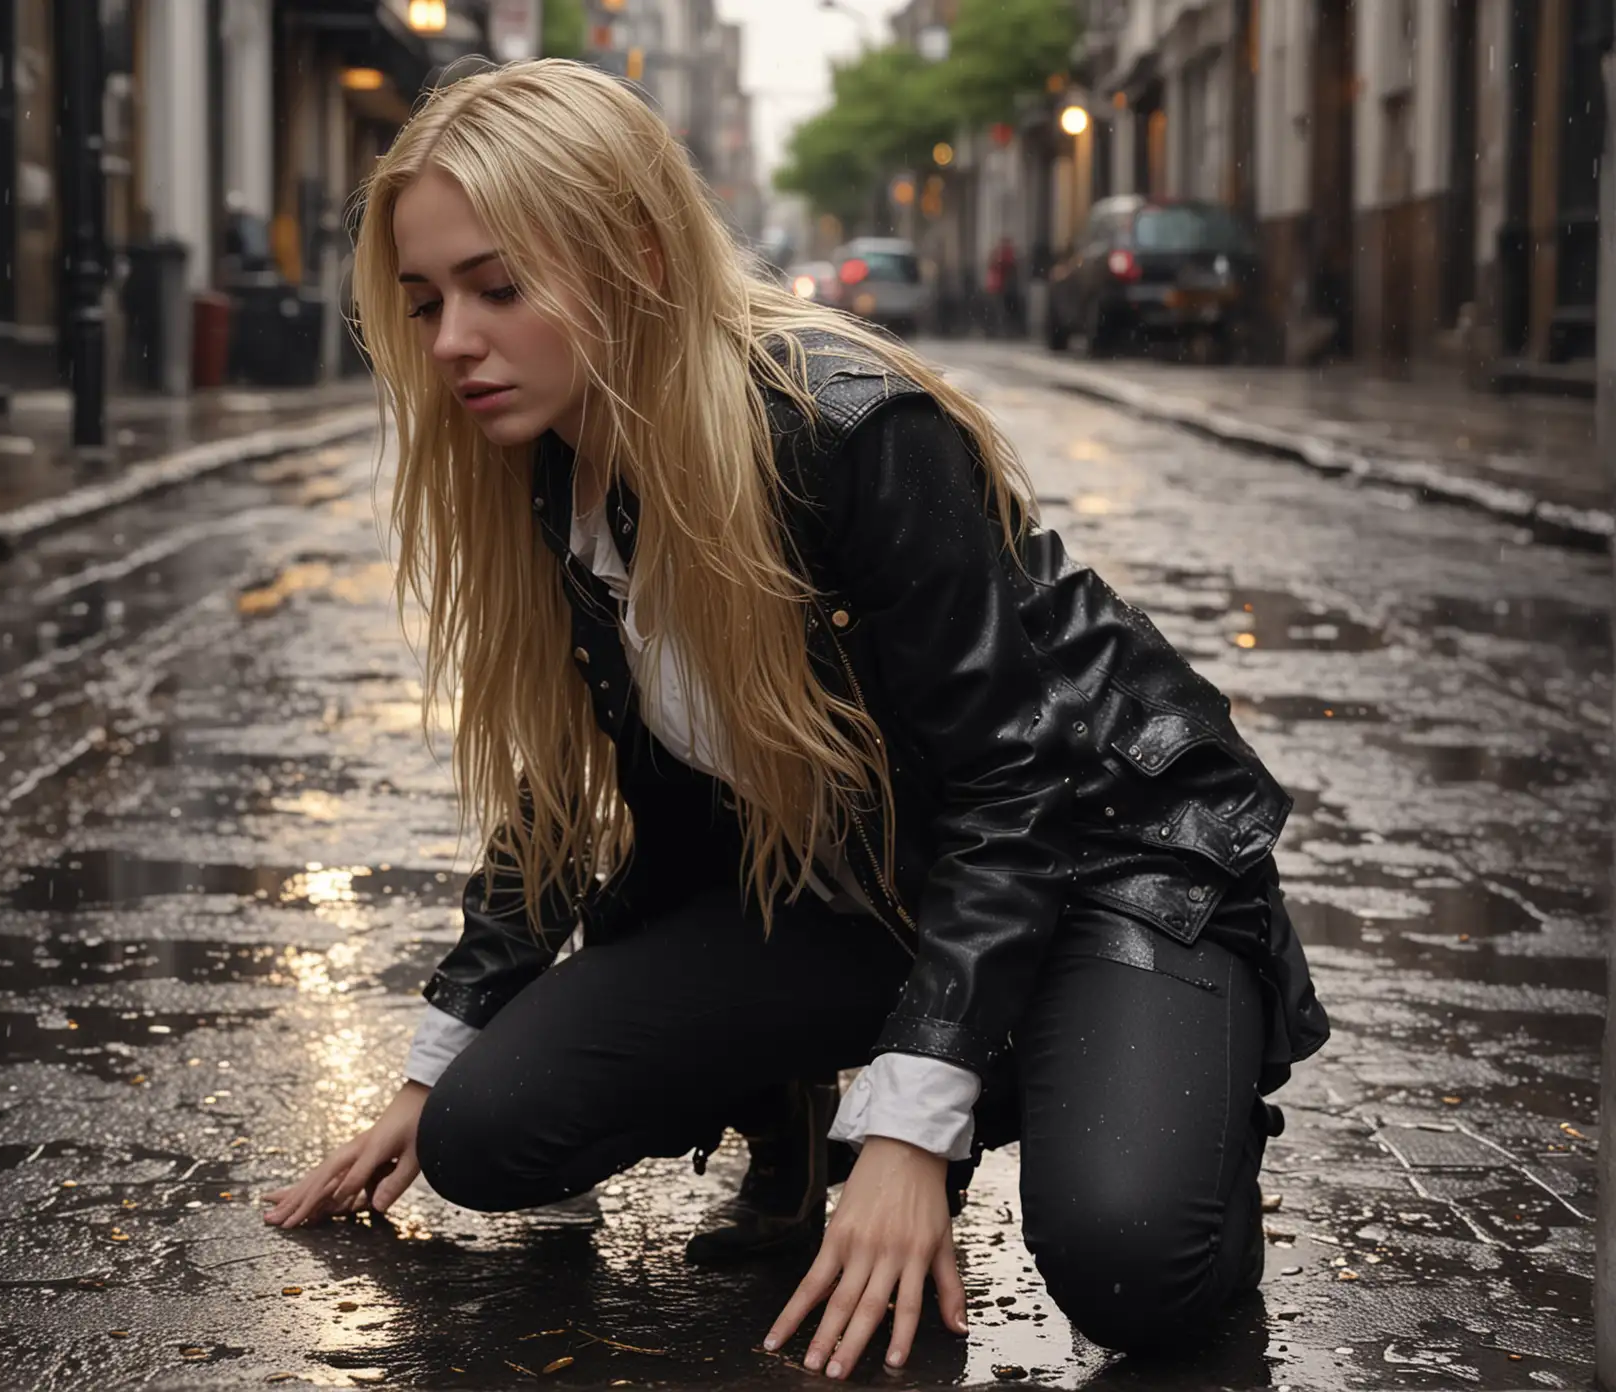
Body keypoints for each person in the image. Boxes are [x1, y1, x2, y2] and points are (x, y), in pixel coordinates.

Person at [260, 59, 1328, 1376]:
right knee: (485, 1140)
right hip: (871, 896)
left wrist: (909, 1128)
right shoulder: (550, 469)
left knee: (1132, 1262)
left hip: (1110, 861)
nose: (451, 344)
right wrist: (437, 1059)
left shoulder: (850, 428)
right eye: (424, 303)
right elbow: (553, 786)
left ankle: (1163, 1089)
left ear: (638, 257)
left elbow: (1012, 788)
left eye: (498, 287)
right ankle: (843, 1085)